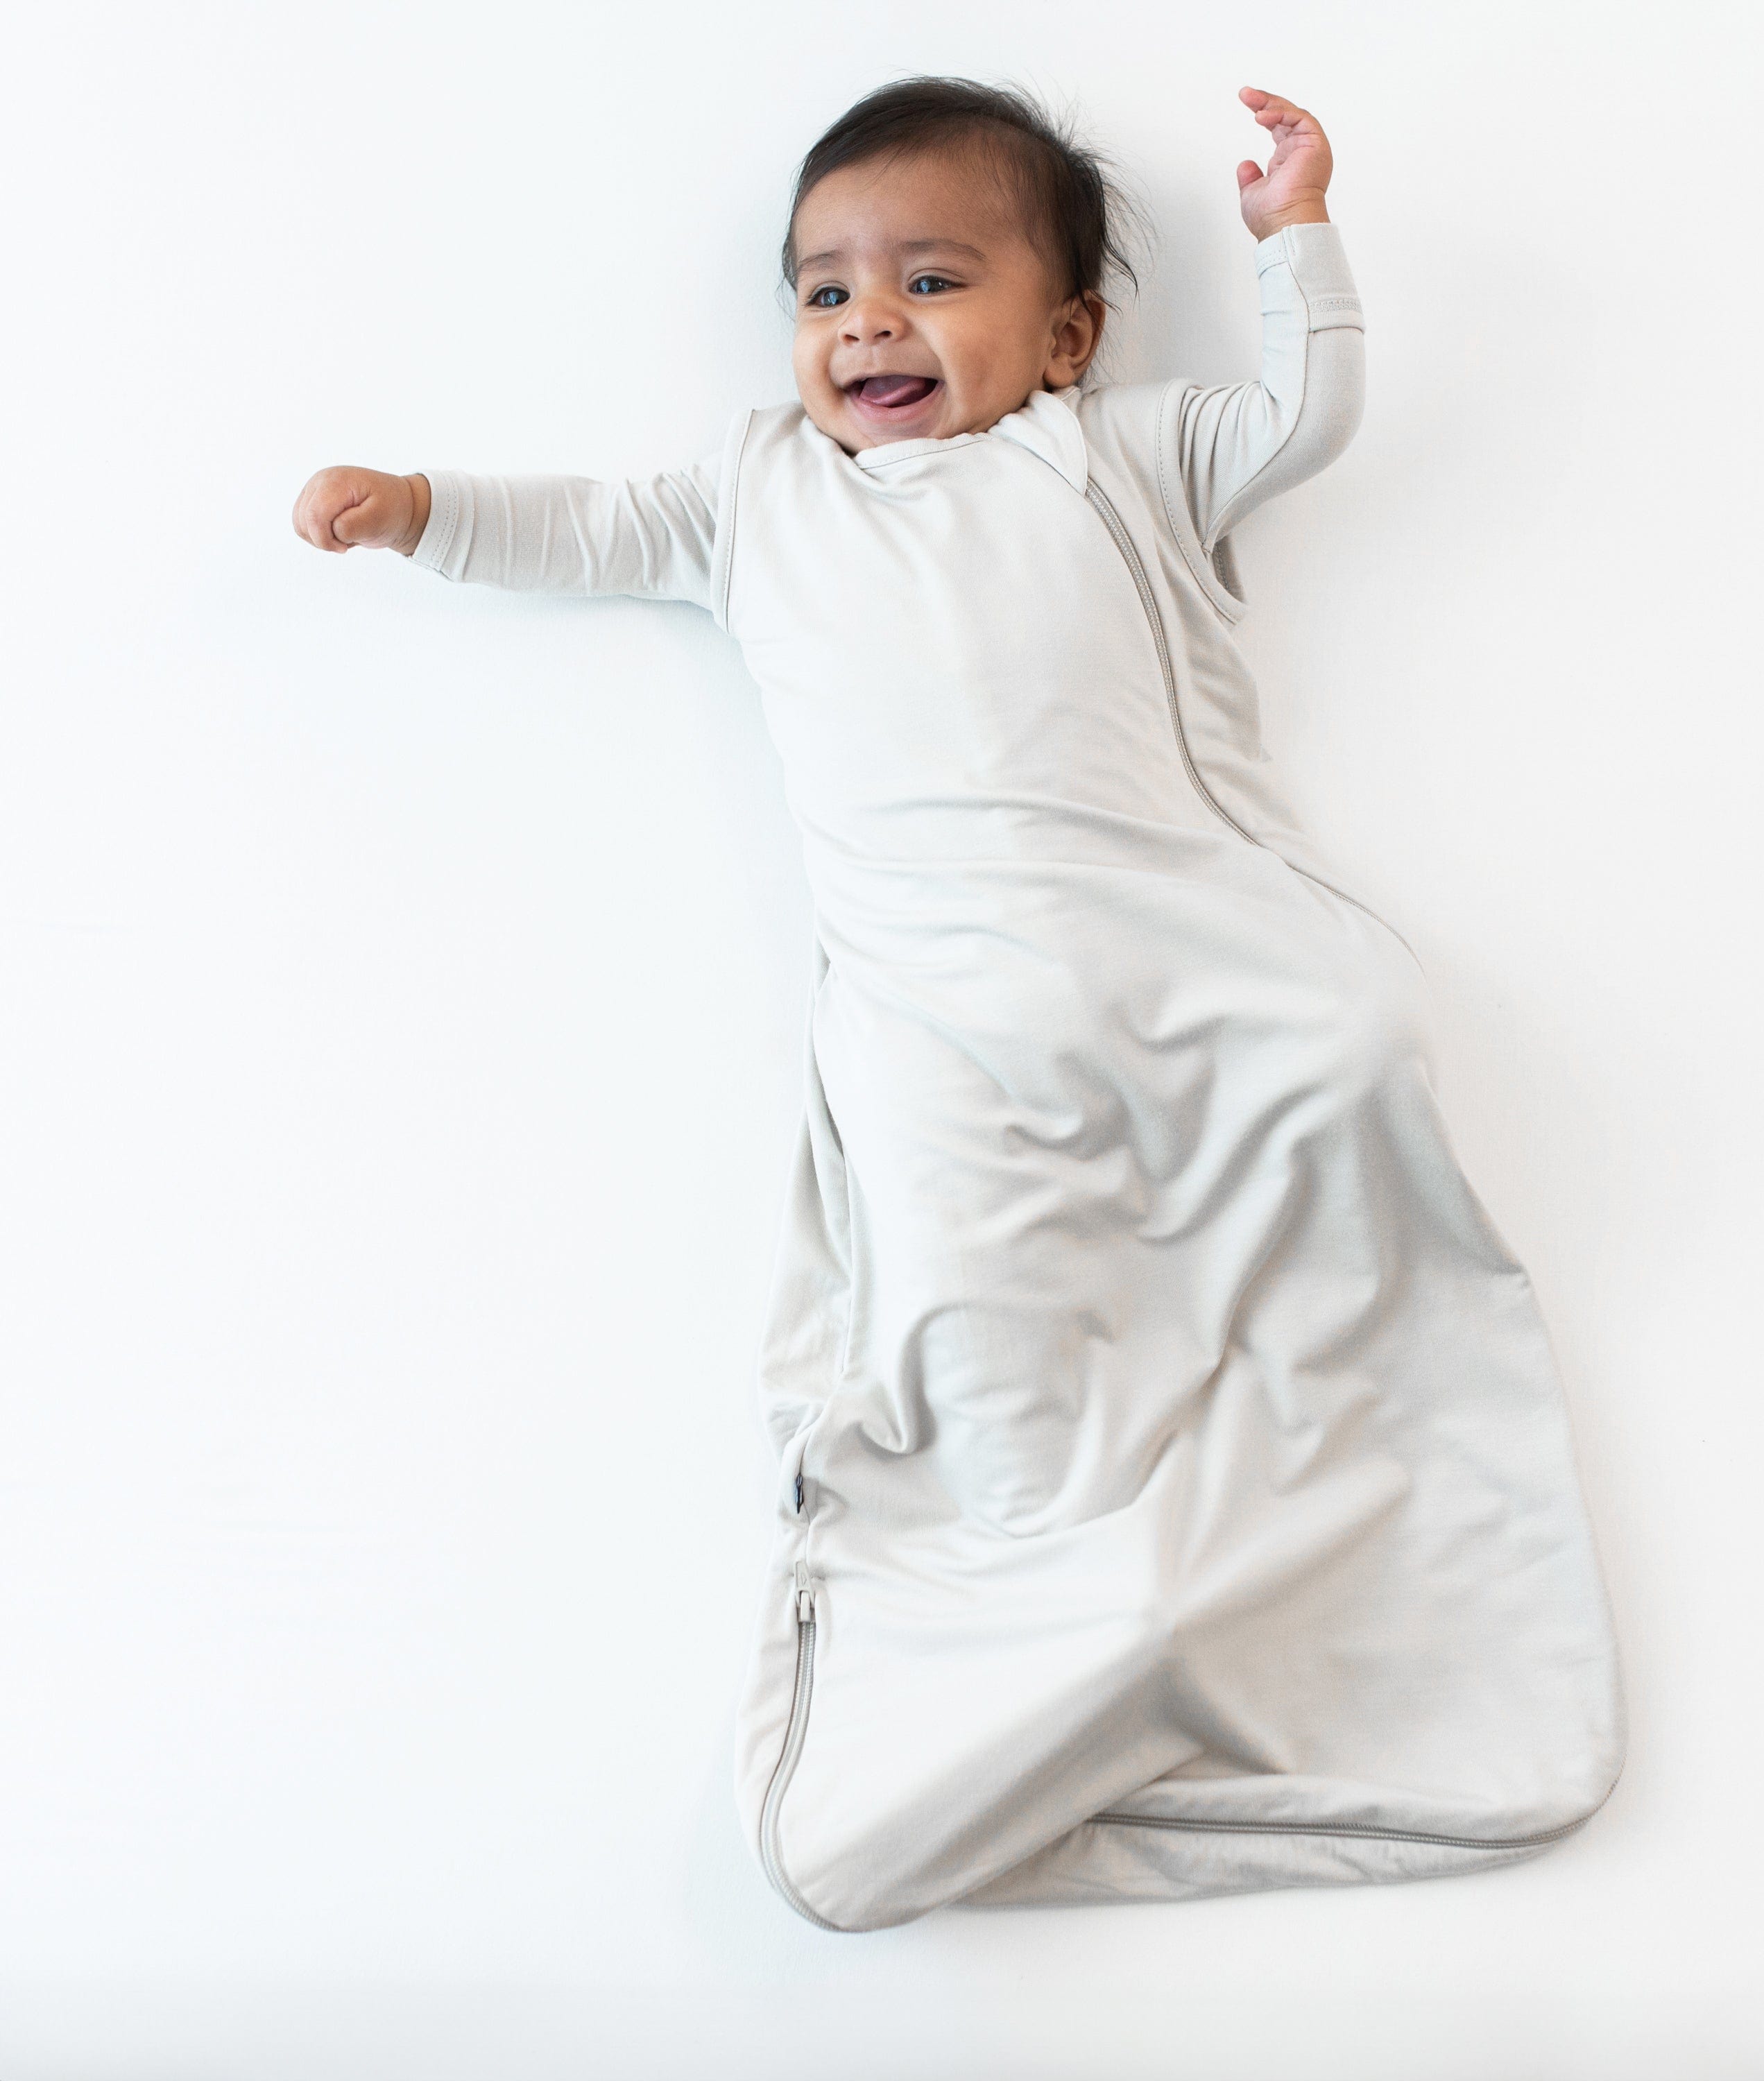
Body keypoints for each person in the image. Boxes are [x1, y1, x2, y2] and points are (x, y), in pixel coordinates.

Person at [291, 79, 1626, 1934]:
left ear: (1066, 334)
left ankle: (1340, 1549)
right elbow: (585, 527)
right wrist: (425, 511)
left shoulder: (1119, 458)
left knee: (1345, 1057)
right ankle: (1029, 1657)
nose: (871, 327)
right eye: (827, 295)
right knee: (976, 1338)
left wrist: (1295, 236)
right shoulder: (752, 496)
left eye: (932, 279)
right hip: (940, 1022)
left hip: (1187, 950)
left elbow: (1309, 412)